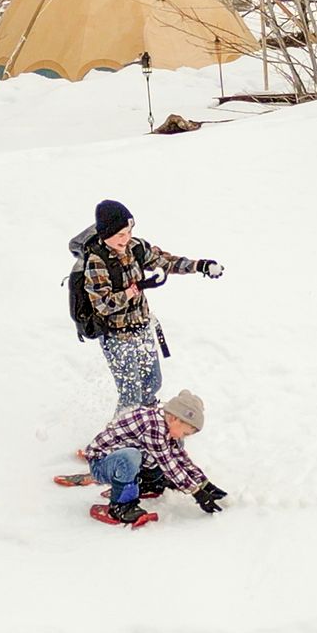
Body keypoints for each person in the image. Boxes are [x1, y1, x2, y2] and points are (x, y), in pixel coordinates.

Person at [74, 199, 223, 413]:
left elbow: (166, 261)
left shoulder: (136, 248)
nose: (126, 239)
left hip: (141, 327)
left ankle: (147, 424)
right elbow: (103, 305)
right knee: (130, 396)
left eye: (128, 232)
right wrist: (138, 287)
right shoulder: (97, 261)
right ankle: (119, 437)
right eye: (120, 235)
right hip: (116, 336)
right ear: (106, 234)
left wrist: (200, 266)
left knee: (152, 384)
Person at [82, 389, 228, 524]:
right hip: (102, 464)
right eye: (185, 433)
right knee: (132, 456)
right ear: (174, 419)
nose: (184, 437)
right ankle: (121, 505)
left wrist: (205, 485)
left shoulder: (165, 423)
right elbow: (168, 465)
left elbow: (180, 458)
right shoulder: (153, 426)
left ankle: (148, 483)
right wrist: (197, 494)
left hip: (127, 461)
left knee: (169, 451)